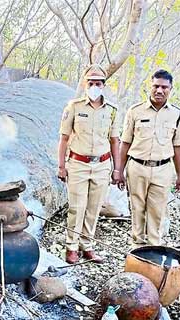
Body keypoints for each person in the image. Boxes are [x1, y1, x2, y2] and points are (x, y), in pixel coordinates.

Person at [57, 64, 120, 264]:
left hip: (102, 165)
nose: (94, 86)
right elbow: (64, 138)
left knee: (94, 208)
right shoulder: (74, 107)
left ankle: (87, 246)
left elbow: (114, 141)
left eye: (98, 83)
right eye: (91, 83)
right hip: (78, 164)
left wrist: (117, 169)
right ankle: (71, 247)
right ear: (86, 84)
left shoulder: (112, 111)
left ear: (104, 85)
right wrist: (61, 166)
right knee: (77, 207)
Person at [115, 69, 180, 248]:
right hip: (137, 166)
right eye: (156, 86)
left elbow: (178, 146)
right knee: (137, 208)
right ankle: (137, 246)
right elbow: (125, 142)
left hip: (163, 169)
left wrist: (179, 175)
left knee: (157, 210)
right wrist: (119, 170)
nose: (159, 90)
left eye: (164, 87)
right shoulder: (135, 111)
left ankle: (154, 246)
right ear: (150, 87)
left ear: (170, 89)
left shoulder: (177, 114)